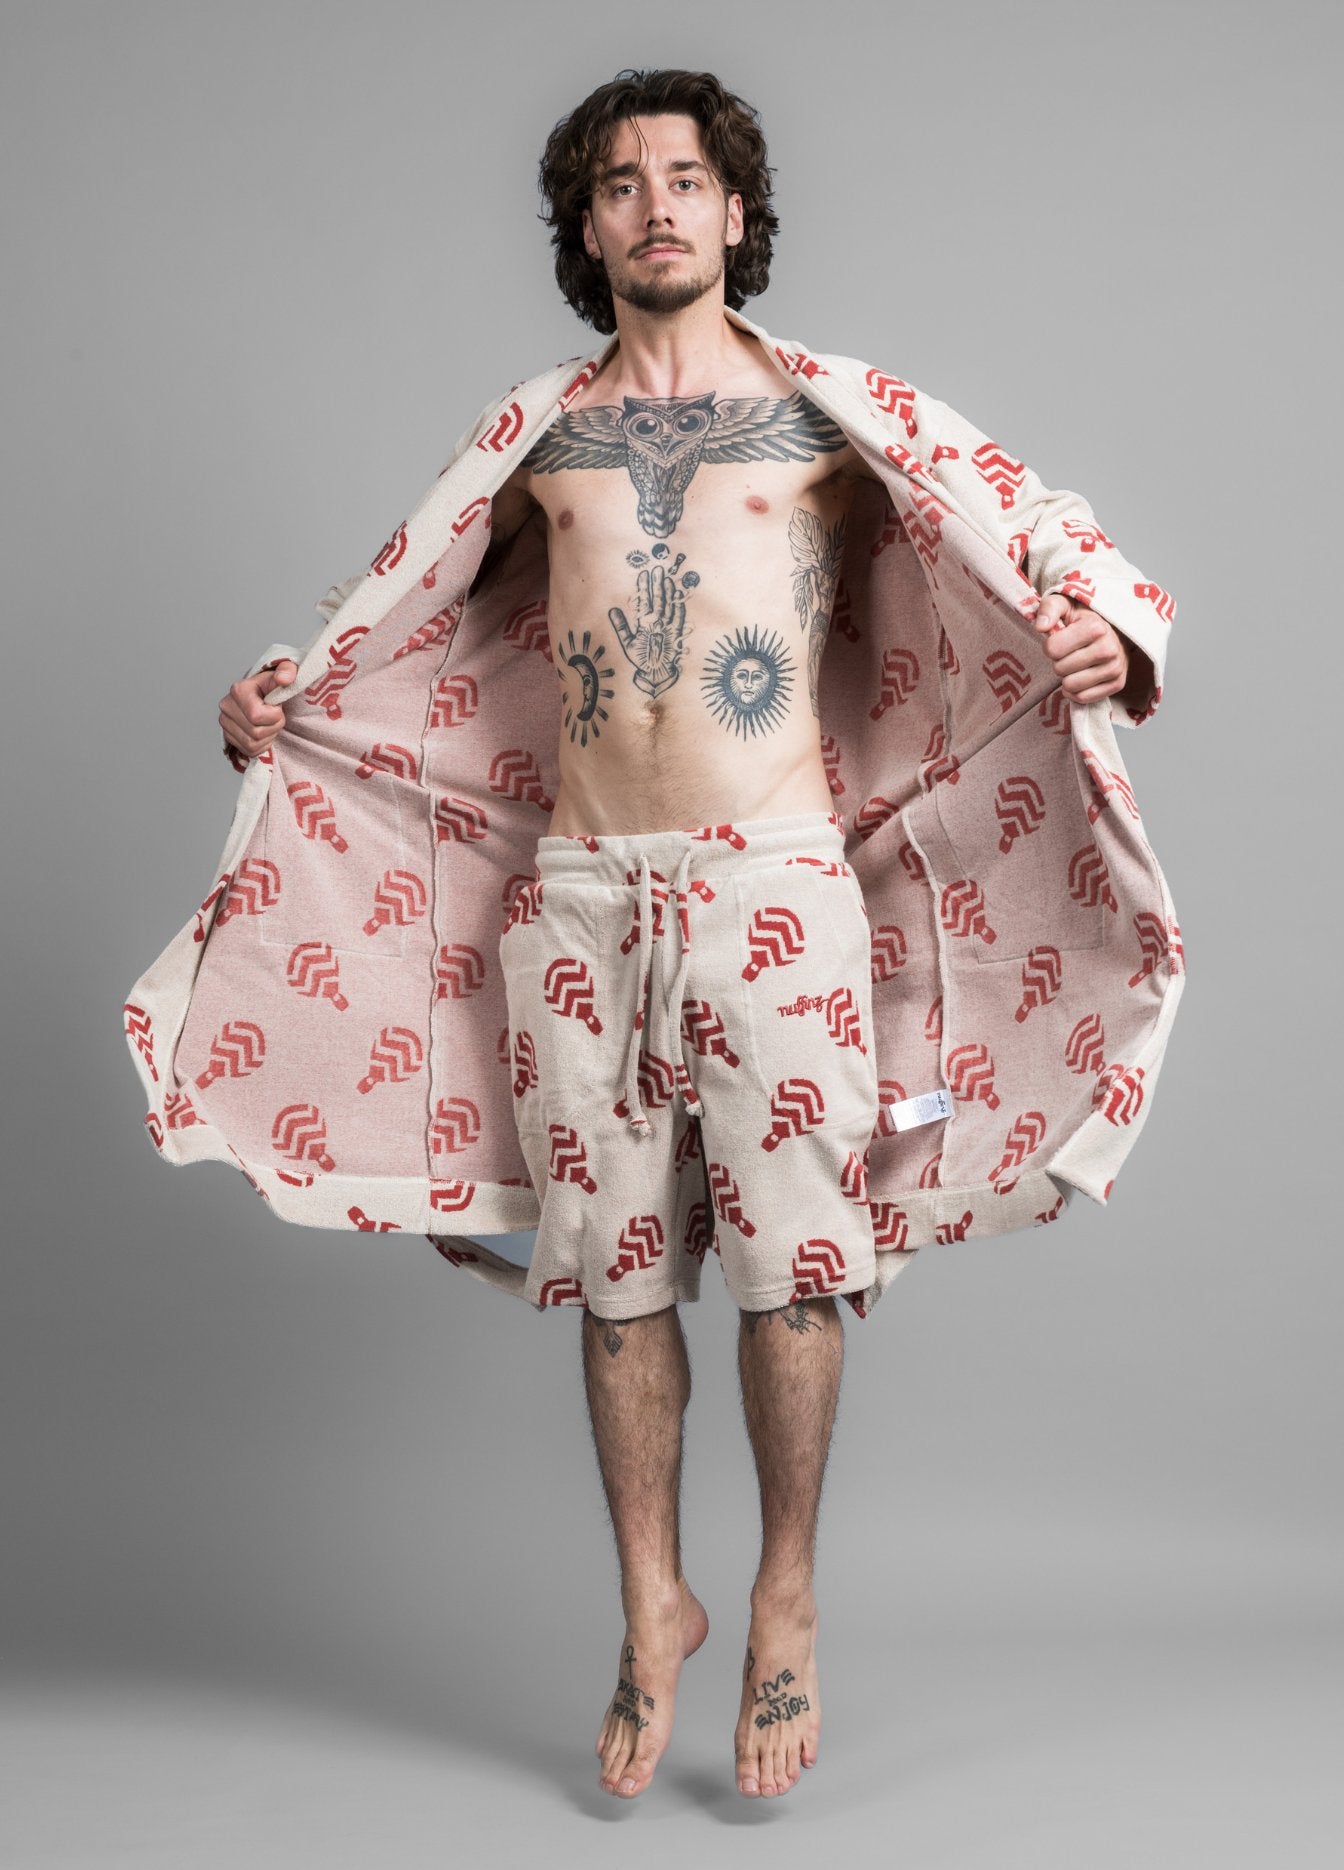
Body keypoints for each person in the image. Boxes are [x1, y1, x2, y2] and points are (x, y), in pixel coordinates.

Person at [218, 70, 1147, 1805]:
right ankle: (654, 1597)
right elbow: (389, 619)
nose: (657, 205)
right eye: (622, 183)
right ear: (586, 226)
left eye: (688, 179)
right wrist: (284, 696)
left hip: (774, 884)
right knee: (614, 1271)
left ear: (735, 213)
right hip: (581, 889)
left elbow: (1023, 518)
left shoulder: (824, 419)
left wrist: (1100, 625)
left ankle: (785, 1590)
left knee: (799, 1263)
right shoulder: (534, 438)